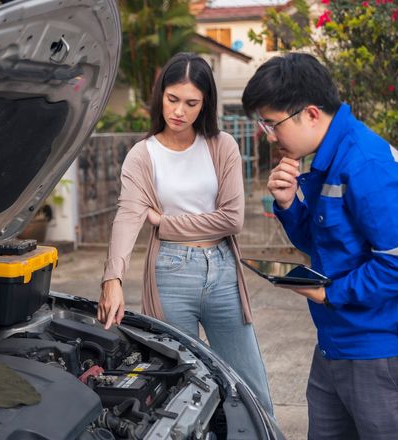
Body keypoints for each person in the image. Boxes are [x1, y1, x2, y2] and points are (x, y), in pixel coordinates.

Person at [242, 52, 398, 439]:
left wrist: (330, 293)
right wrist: (288, 204)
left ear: (311, 114)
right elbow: (323, 242)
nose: (270, 135)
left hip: (382, 348)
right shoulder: (327, 160)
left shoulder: (369, 165)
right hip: (337, 342)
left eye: (271, 123)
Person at [98, 52, 273, 415]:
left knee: (249, 382)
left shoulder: (222, 146)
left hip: (223, 271)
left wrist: (165, 223)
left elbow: (232, 220)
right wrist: (112, 278)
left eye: (191, 103)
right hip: (170, 274)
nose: (179, 111)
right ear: (160, 95)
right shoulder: (142, 155)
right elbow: (129, 215)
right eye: (172, 99)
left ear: (204, 103)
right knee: (181, 384)